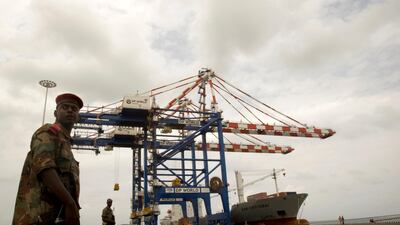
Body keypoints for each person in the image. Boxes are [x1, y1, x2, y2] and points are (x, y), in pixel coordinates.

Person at [12, 93, 83, 225]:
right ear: (56, 113)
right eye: (65, 107)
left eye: (74, 109)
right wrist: (70, 203)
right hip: (38, 216)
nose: (70, 110)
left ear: (78, 117)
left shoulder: (66, 143)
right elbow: (45, 169)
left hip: (56, 217)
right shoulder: (48, 132)